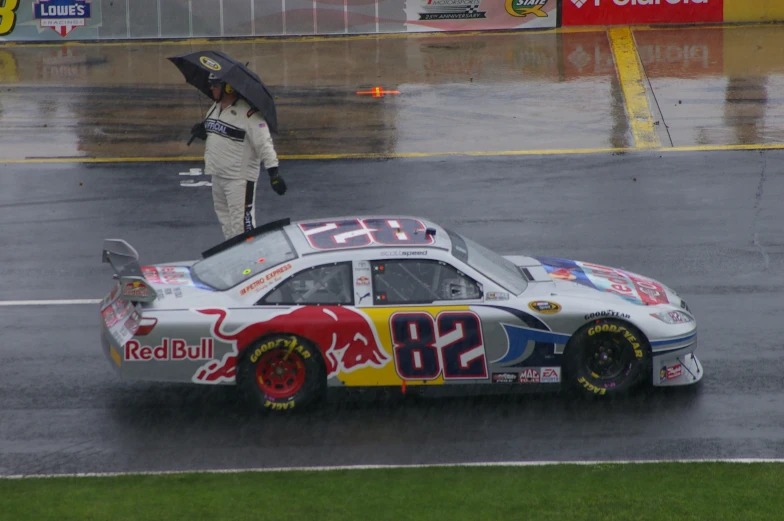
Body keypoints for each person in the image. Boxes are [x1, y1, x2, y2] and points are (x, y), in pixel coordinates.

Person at [190, 73, 286, 240]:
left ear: (228, 87)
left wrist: (274, 173)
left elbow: (264, 144)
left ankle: (250, 263)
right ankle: (232, 260)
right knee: (226, 224)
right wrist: (204, 133)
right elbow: (220, 134)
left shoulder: (249, 114)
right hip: (217, 175)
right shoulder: (214, 108)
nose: (211, 87)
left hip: (238, 180)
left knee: (242, 227)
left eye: (215, 84)